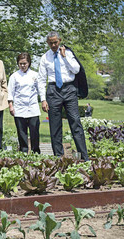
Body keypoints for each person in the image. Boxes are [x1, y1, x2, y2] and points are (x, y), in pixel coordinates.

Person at [37, 31, 89, 160]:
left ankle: (84, 157)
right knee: (55, 126)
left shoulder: (68, 53)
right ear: (47, 43)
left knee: (75, 122)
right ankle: (59, 158)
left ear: (59, 40)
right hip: (53, 90)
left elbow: (76, 70)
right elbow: (42, 79)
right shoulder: (45, 57)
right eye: (51, 43)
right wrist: (43, 99)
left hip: (69, 89)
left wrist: (64, 57)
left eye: (55, 42)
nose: (53, 45)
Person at [7, 52, 41, 154]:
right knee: (22, 133)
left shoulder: (35, 75)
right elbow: (10, 92)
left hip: (33, 108)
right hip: (19, 108)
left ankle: (36, 152)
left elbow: (40, 90)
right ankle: (23, 152)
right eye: (20, 63)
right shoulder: (14, 76)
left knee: (34, 132)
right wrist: (11, 106)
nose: (22, 66)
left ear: (29, 63)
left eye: (24, 63)